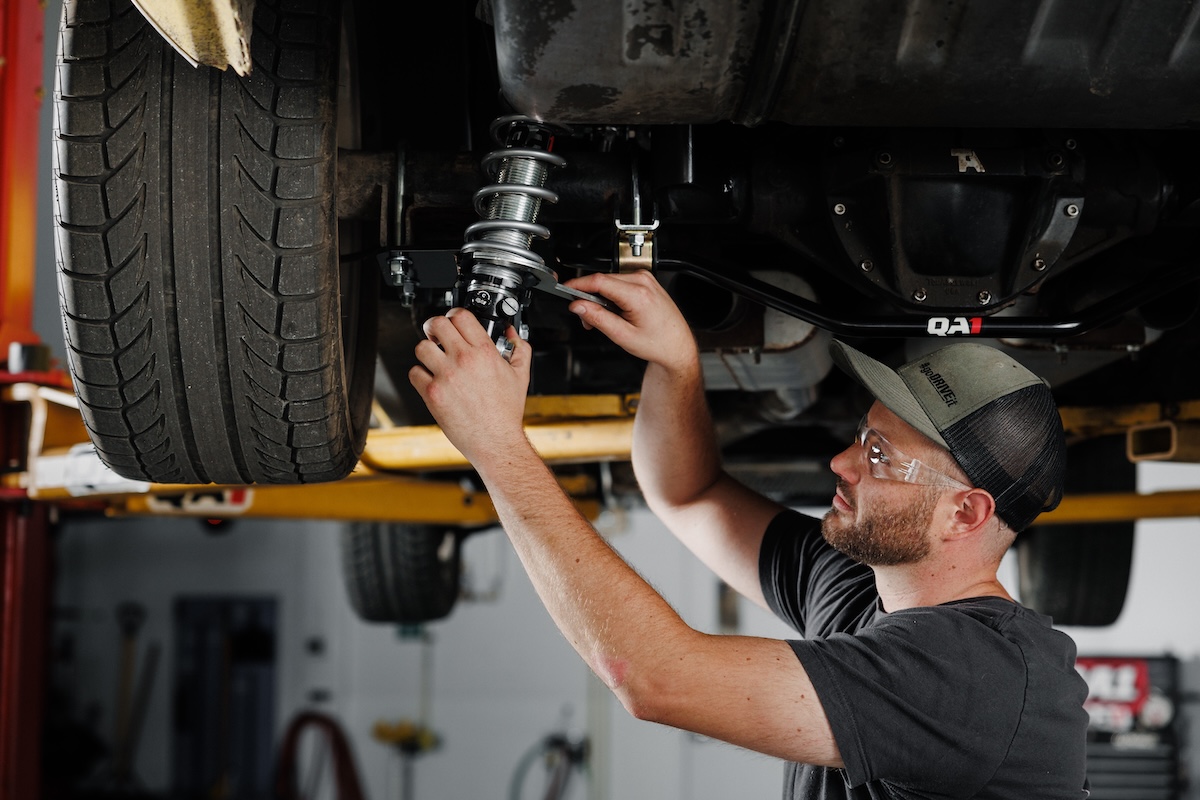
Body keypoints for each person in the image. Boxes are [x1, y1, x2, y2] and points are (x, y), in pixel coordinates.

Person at [410, 268, 1091, 798]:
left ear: (965, 513)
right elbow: (690, 493)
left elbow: (655, 679)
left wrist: (499, 447)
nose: (842, 462)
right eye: (863, 436)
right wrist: (677, 364)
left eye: (880, 456)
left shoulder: (980, 678)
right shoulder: (864, 591)